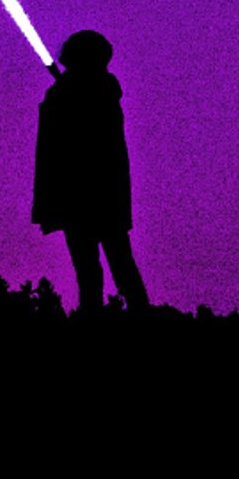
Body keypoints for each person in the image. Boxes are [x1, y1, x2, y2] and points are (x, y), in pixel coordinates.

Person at [33, 29, 150, 314]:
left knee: (95, 267)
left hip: (80, 194)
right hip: (105, 193)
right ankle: (138, 318)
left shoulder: (79, 92)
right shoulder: (102, 90)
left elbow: (62, 135)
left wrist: (65, 91)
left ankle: (100, 325)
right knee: (115, 263)